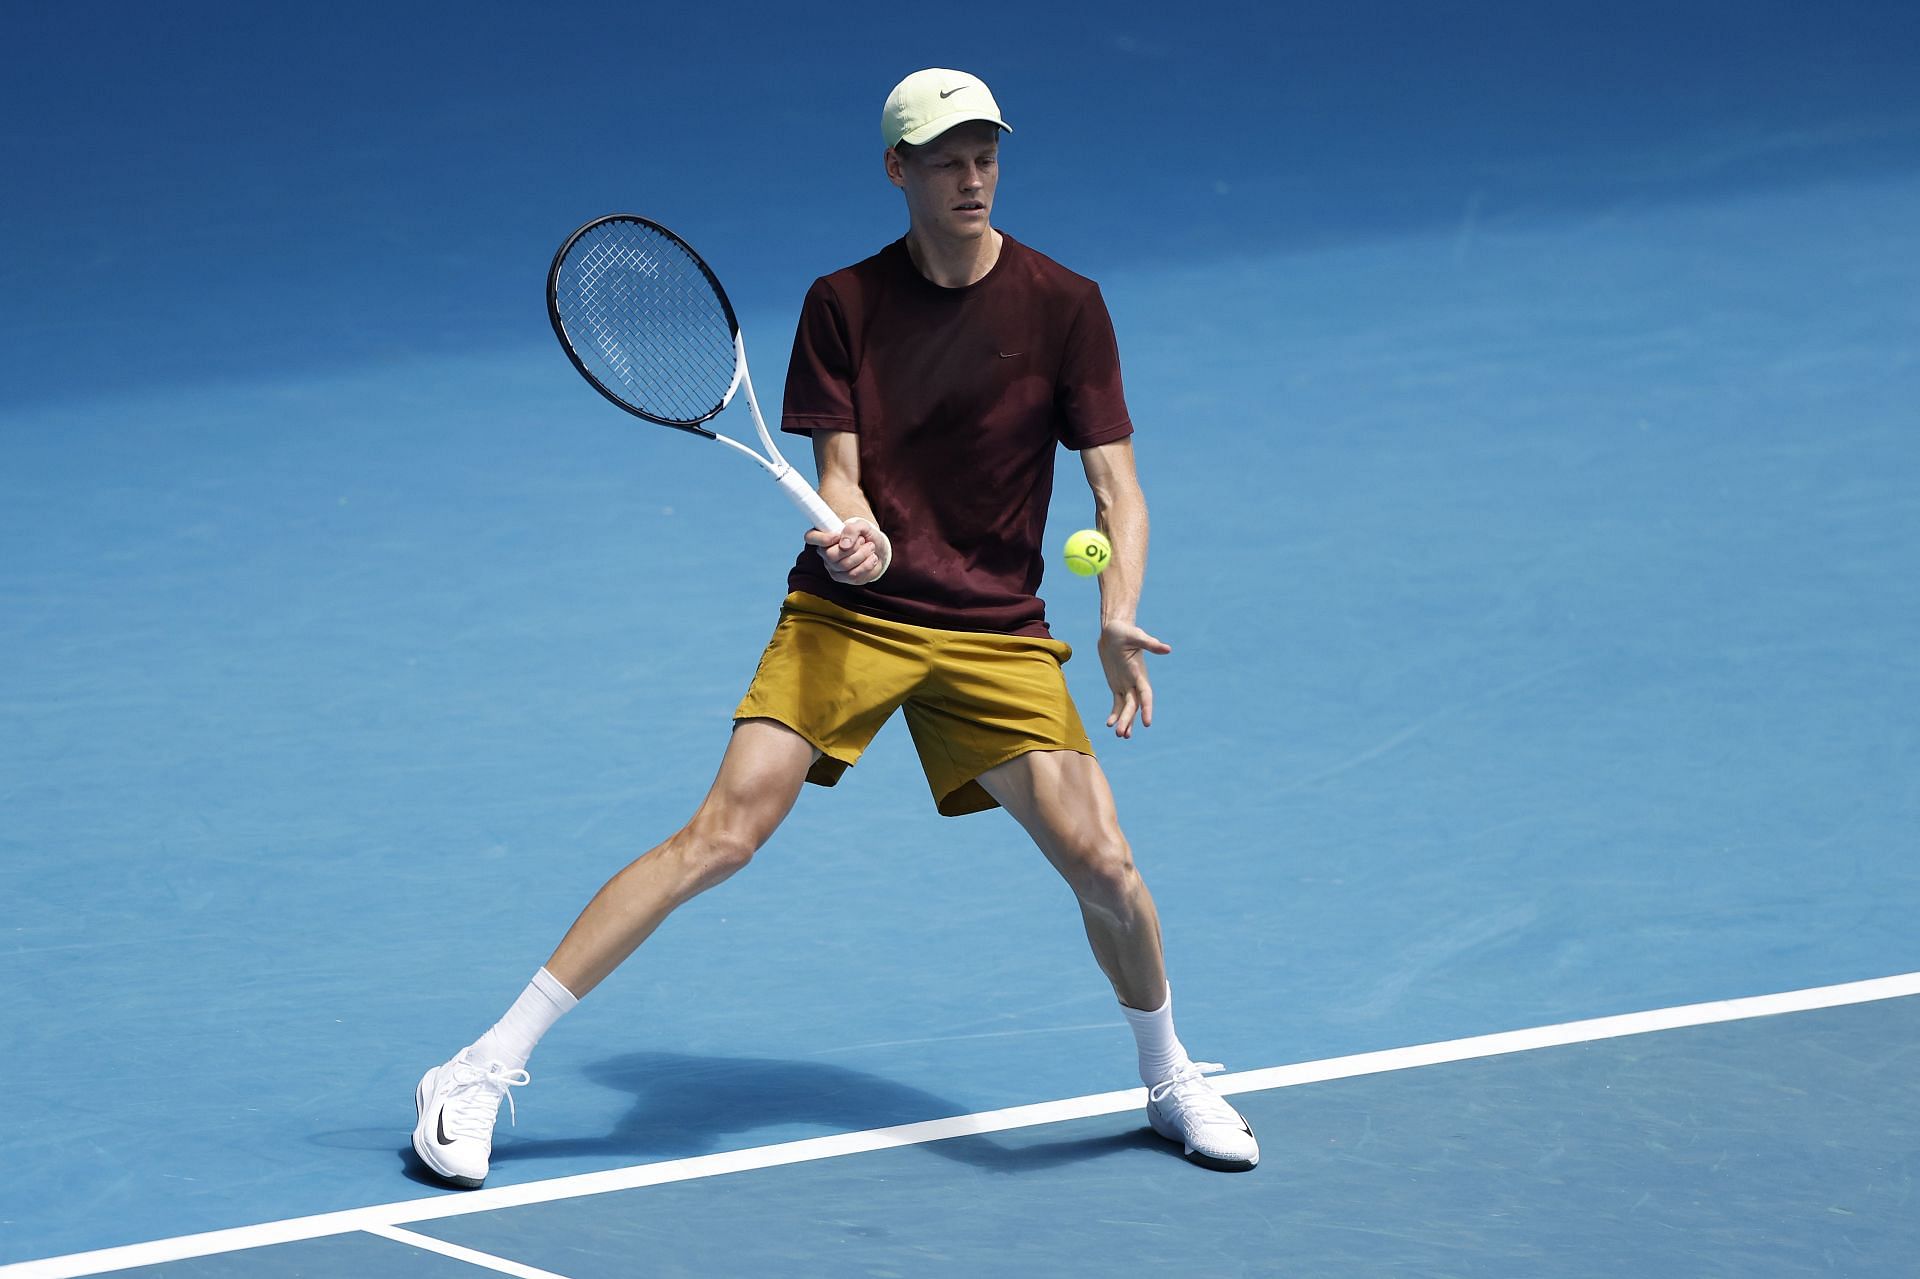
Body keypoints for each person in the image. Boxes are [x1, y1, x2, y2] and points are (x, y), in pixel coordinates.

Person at [411, 67, 1258, 1187]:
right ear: (898, 168)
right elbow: (841, 478)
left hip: (995, 632)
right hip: (851, 618)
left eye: (986, 154)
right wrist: (850, 534)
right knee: (723, 833)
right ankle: (477, 1067)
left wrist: (1118, 614)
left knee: (1107, 864)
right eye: (947, 158)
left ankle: (1167, 1077)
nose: (973, 177)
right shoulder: (843, 304)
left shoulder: (1065, 303)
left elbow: (1120, 491)